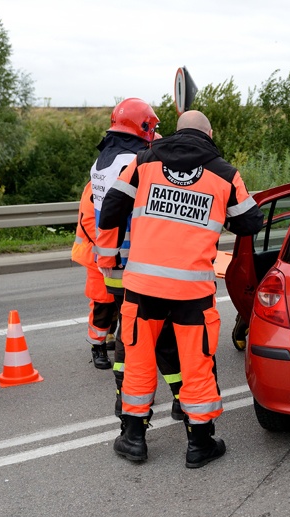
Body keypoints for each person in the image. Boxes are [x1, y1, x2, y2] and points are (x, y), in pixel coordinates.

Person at [97, 110, 263, 468]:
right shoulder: (225, 173)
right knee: (197, 366)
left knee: (138, 363)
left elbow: (109, 210)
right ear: (210, 133)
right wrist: (218, 210)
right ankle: (199, 444)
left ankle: (133, 438)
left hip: (143, 288)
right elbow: (251, 222)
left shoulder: (143, 162)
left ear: (176, 131)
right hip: (192, 293)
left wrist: (110, 255)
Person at [90, 99, 184, 432]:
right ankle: (179, 401)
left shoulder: (103, 160)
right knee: (163, 335)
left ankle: (126, 401)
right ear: (143, 127)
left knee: (128, 334)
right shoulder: (134, 160)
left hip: (111, 263)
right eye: (152, 127)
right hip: (136, 263)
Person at [71, 178, 116, 370]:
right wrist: (107, 252)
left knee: (121, 302)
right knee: (103, 304)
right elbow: (89, 221)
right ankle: (98, 347)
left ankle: (111, 337)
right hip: (97, 256)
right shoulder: (97, 185)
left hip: (118, 254)